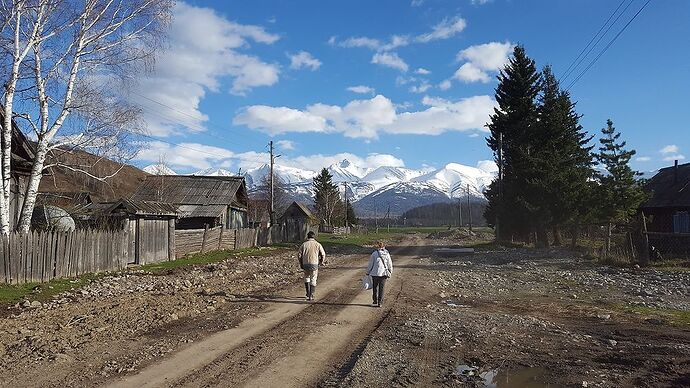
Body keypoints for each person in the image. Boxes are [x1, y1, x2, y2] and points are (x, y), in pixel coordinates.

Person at [298, 231, 326, 301]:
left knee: (306, 277)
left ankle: (307, 293)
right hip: (314, 264)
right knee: (313, 278)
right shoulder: (318, 244)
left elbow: (299, 255)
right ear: (314, 236)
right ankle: (311, 294)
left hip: (305, 264)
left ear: (307, 236)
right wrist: (321, 262)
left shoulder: (304, 245)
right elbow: (323, 254)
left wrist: (301, 263)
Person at [366, 240, 393, 307]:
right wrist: (390, 271)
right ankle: (380, 302)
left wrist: (368, 272)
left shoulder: (374, 254)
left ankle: (375, 300)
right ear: (384, 246)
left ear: (377, 246)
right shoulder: (387, 253)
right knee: (381, 288)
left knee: (375, 287)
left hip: (375, 273)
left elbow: (370, 264)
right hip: (384, 273)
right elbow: (390, 264)